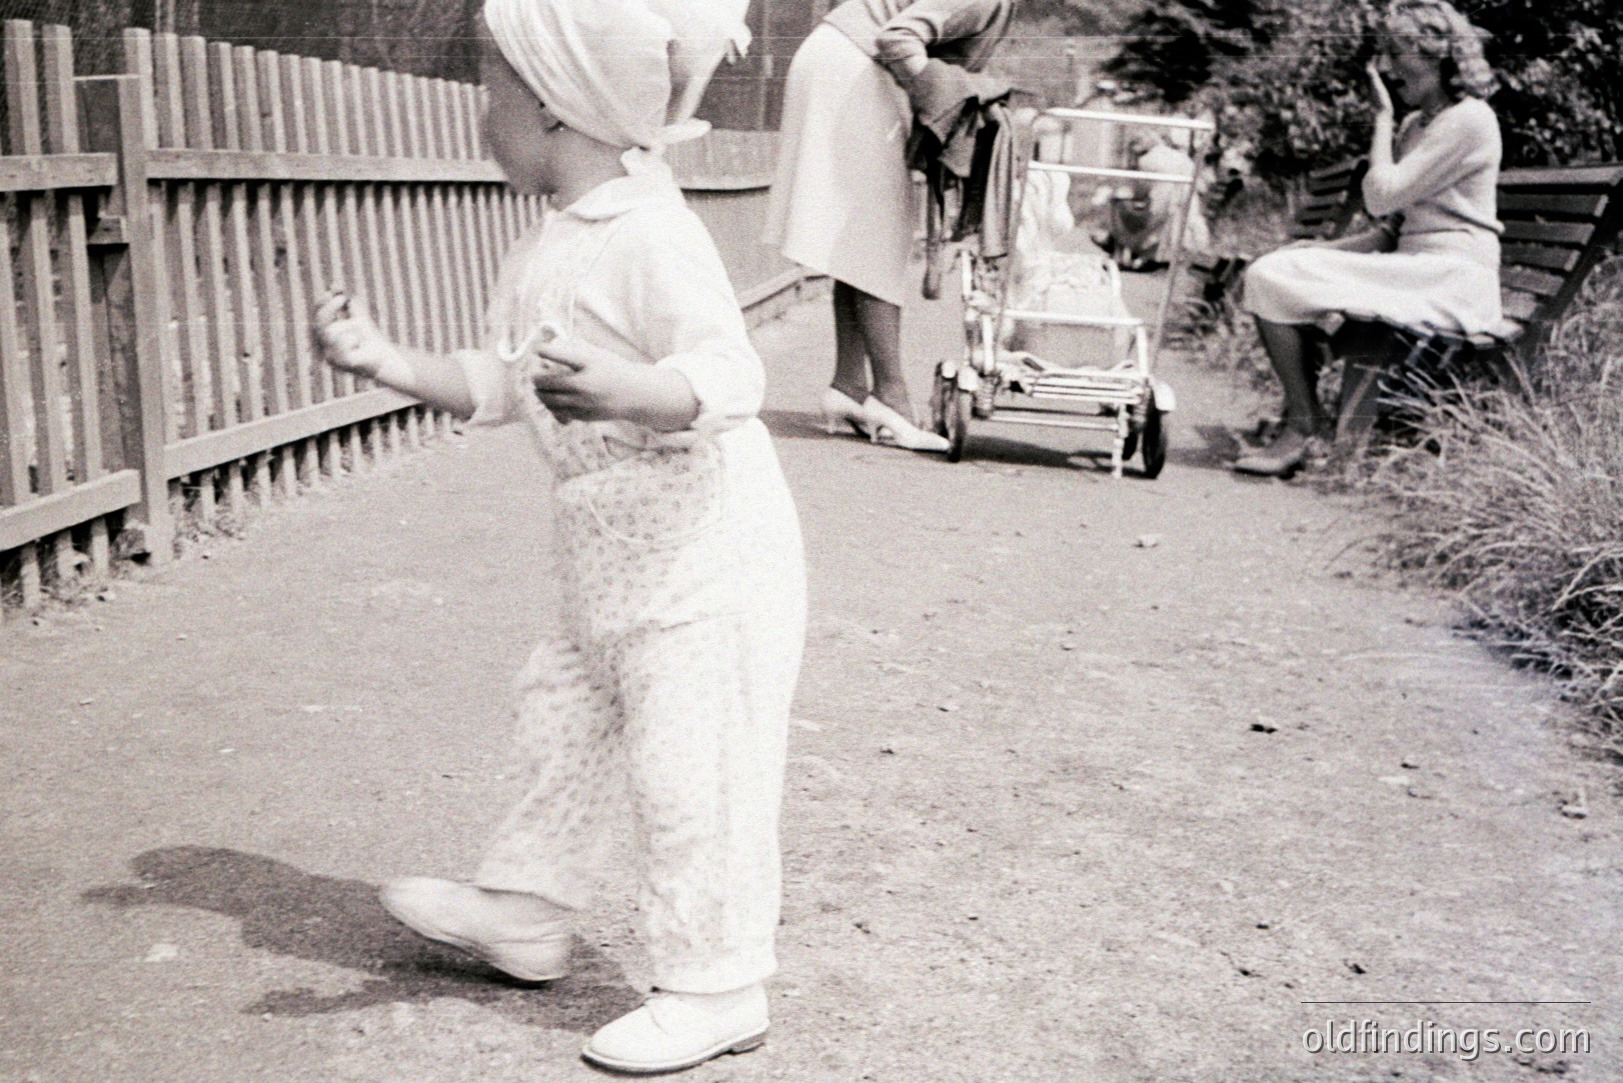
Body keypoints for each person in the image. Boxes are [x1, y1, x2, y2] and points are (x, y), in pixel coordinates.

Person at [312, 0, 806, 1073]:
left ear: (548, 106)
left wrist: (636, 387)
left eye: (490, 97)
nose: (481, 119)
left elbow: (732, 377)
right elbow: (499, 379)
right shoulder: (552, 243)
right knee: (564, 723)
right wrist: (388, 360)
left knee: (695, 768)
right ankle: (529, 909)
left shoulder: (653, 234)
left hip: (703, 555)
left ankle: (718, 984)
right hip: (607, 552)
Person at [1234, 0, 1502, 476]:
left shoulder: (1470, 119)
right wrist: (1319, 251)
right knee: (1273, 271)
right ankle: (1303, 420)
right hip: (1416, 269)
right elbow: (1391, 228)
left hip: (1452, 279)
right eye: (1385, 53)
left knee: (1270, 276)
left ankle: (1302, 426)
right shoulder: (1419, 124)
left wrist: (1381, 119)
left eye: (1397, 53)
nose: (1388, 68)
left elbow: (1382, 197)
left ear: (1437, 55)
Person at [764, 0, 1015, 452]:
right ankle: (892, 399)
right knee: (879, 235)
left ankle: (849, 386)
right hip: (854, 66)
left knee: (858, 234)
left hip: (839, 58)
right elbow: (898, 39)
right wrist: (954, 98)